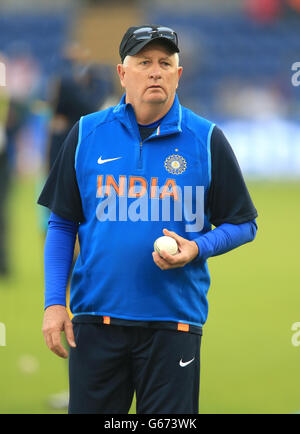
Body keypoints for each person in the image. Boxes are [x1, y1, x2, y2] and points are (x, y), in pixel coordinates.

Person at [38, 25, 258, 414]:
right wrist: (55, 303)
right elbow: (62, 224)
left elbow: (244, 223)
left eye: (164, 63)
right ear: (122, 74)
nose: (155, 71)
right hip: (95, 322)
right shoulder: (87, 133)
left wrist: (197, 248)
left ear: (179, 73)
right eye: (144, 62)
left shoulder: (206, 139)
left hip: (173, 326)